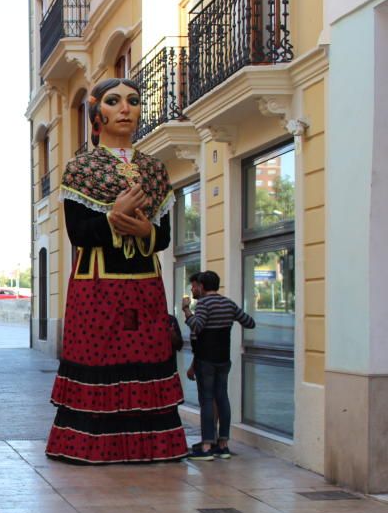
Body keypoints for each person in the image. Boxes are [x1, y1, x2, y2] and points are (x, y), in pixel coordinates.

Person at [46, 77, 187, 464]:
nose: (125, 108)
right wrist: (114, 217)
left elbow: (163, 237)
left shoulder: (155, 170)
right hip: (96, 288)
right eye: (114, 101)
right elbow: (79, 233)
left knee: (147, 354)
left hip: (145, 286)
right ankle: (92, 446)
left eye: (133, 100)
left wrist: (146, 230)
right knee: (100, 357)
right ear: (98, 115)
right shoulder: (81, 169)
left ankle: (152, 445)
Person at [182, 270, 256, 460]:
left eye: (195, 286)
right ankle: (223, 444)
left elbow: (197, 326)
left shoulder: (204, 304)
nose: (193, 288)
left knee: (207, 400)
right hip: (224, 359)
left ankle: (206, 446)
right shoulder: (228, 303)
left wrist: (186, 310)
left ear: (202, 286)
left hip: (206, 359)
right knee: (222, 398)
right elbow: (249, 322)